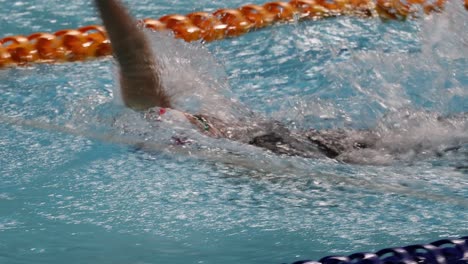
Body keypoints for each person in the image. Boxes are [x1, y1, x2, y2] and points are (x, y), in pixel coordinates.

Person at [93, 0, 466, 163]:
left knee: (420, 146)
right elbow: (133, 57)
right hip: (312, 144)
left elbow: (133, 58)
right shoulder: (188, 121)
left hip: (329, 155)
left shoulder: (162, 122)